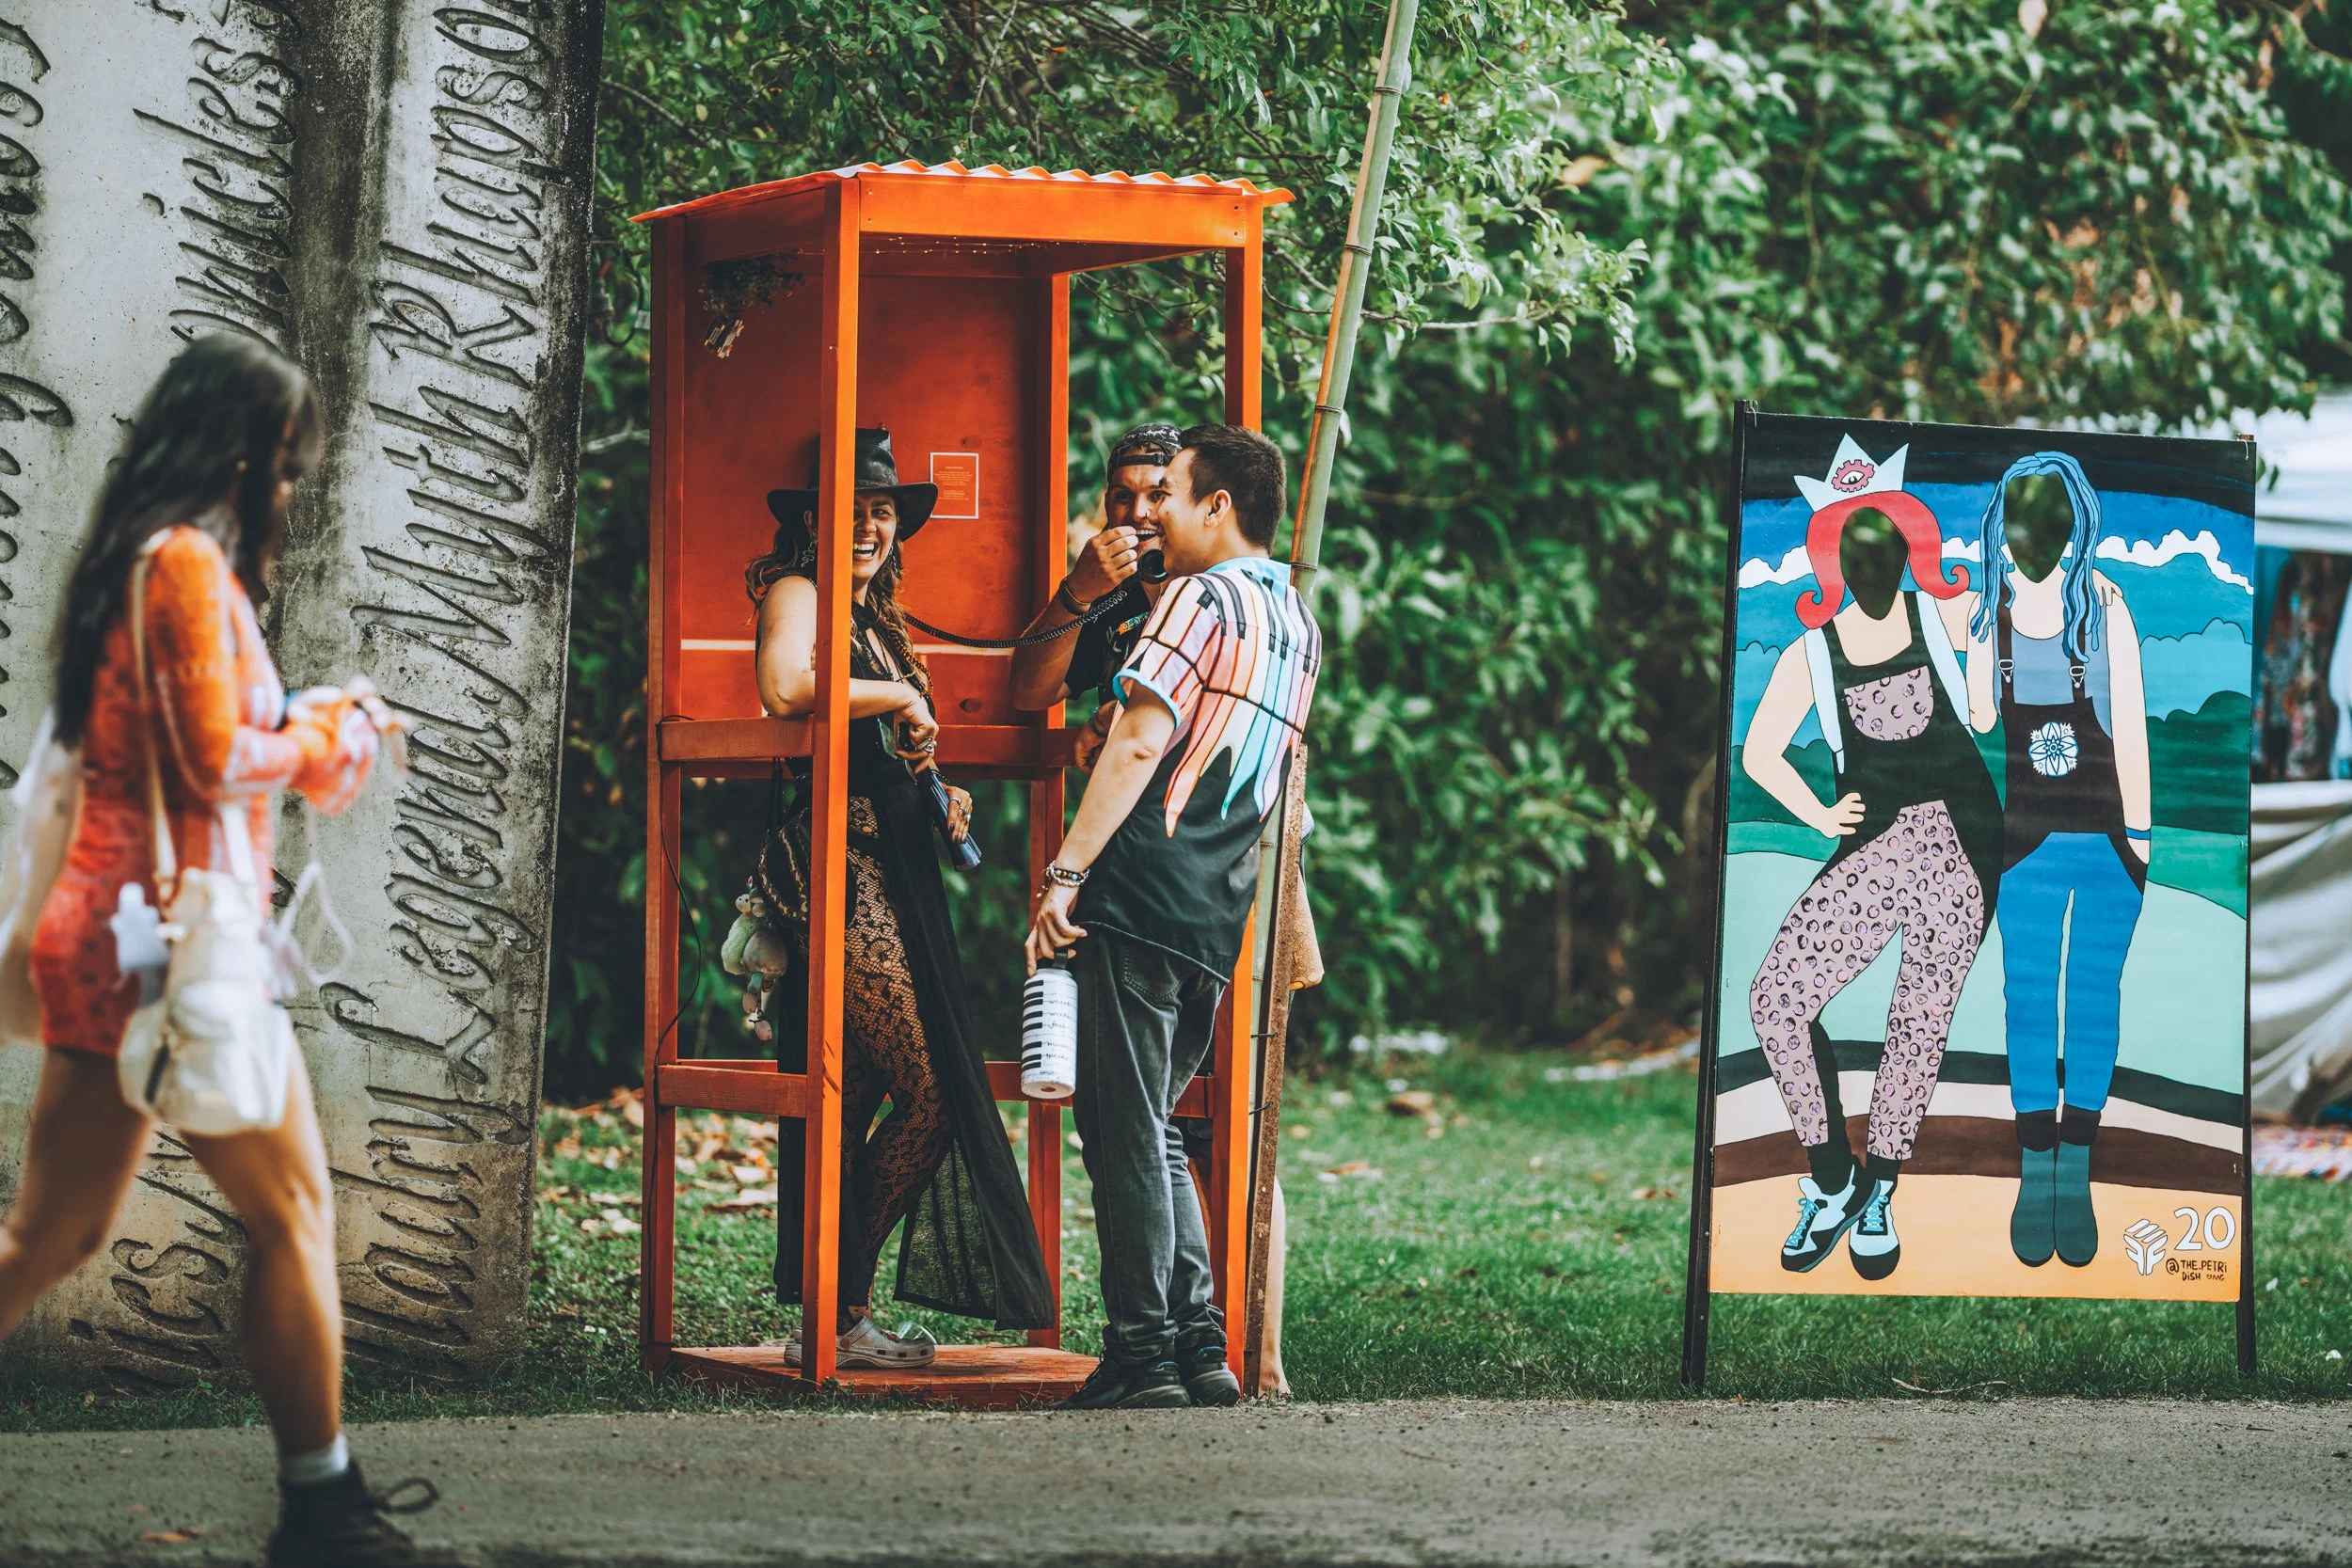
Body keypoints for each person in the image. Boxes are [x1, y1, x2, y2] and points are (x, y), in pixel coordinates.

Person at [0, 337, 433, 1566]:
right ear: (236, 455)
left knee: (56, 1237)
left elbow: (196, 734)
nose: (287, 490)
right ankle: (324, 1509)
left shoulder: (143, 560)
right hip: (167, 946)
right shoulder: (186, 563)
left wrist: (307, 717)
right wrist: (329, 738)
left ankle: (326, 1501)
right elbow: (208, 757)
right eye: (284, 464)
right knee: (288, 1211)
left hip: (129, 937)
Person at [1024, 424, 1321, 1410]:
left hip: (1140, 886)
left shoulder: (1198, 597)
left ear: (1217, 505)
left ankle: (1141, 1351)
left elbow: (1141, 740)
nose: (1152, 514)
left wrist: (1065, 872)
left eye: (1171, 494)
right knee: (1153, 1127)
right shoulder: (1297, 618)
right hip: (1215, 908)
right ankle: (1198, 1345)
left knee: (1118, 1129)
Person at [752, 426, 1055, 1366]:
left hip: (900, 868)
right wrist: (899, 700)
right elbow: (785, 688)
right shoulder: (797, 592)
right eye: (850, 509)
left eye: (881, 510)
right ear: (813, 521)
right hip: (839, 870)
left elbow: (884, 745)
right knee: (931, 1090)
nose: (868, 527)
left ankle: (841, 1313)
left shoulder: (879, 623)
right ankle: (835, 1305)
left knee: (871, 1093)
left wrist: (937, 785)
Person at [1741, 440, 2001, 1281]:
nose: (1873, 564)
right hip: (1876, 844)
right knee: (1777, 997)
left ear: (1909, 544)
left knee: (1919, 1017)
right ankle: (1834, 1180)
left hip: (1961, 841)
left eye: (1885, 545)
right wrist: (1821, 814)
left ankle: (1881, 1188)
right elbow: (1759, 753)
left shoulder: (1944, 619)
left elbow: (1986, 712)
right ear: (1833, 558)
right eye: (1856, 550)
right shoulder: (1813, 652)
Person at [1966, 451, 2150, 1268]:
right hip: (2026, 845)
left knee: (2093, 1000)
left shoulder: (2108, 611)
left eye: (2046, 522)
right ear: (2001, 531)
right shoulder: (1993, 619)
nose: (2030, 540)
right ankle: (2035, 1167)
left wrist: (2141, 844)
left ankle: (2076, 1167)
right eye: (2017, 523)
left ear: (2073, 526)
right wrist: (1970, 621)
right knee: (2029, 1000)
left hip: (2107, 840)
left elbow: (2132, 730)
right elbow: (1980, 715)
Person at [1009, 421, 1183, 768]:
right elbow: (1028, 693)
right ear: (1107, 504)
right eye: (1123, 496)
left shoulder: (1216, 585)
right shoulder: (1109, 594)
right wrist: (1077, 591)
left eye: (1157, 495)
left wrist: (1110, 717)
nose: (1138, 513)